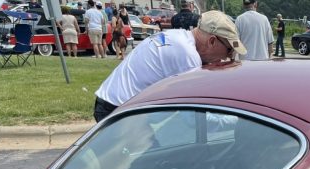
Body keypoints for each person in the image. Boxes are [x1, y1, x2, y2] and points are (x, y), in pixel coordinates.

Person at [93, 10, 246, 122]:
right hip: (119, 110)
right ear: (212, 41)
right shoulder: (188, 56)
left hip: (115, 103)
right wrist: (237, 120)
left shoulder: (178, 37)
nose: (228, 56)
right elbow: (192, 117)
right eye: (229, 50)